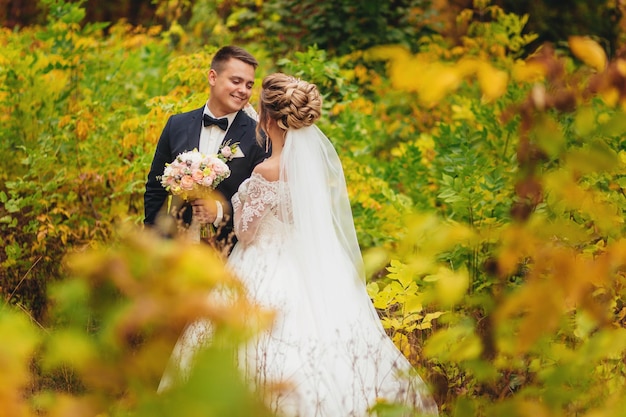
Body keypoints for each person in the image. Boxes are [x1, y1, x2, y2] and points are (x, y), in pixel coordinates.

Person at [158, 73, 439, 416]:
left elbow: (245, 232)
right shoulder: (310, 170)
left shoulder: (267, 170)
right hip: (305, 266)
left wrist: (235, 202)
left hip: (261, 267)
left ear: (266, 119)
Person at [143, 45, 268, 250]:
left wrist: (219, 213)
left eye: (249, 85)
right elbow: (156, 188)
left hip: (228, 253)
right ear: (212, 77)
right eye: (236, 81)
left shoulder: (258, 136)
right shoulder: (177, 125)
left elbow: (260, 205)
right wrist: (153, 239)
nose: (243, 90)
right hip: (176, 251)